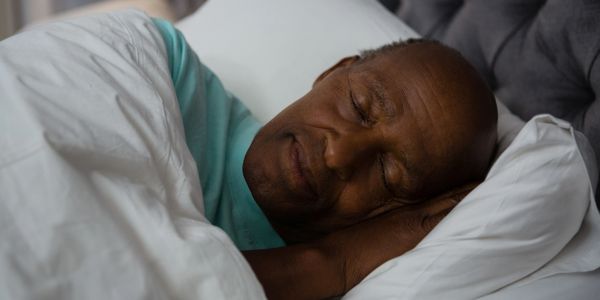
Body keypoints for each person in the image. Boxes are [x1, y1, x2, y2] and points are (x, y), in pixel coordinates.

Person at [153, 19, 497, 299]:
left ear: (400, 212)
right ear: (333, 71)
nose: (338, 154)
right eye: (360, 106)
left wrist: (332, 266)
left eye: (388, 173)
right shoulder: (168, 68)